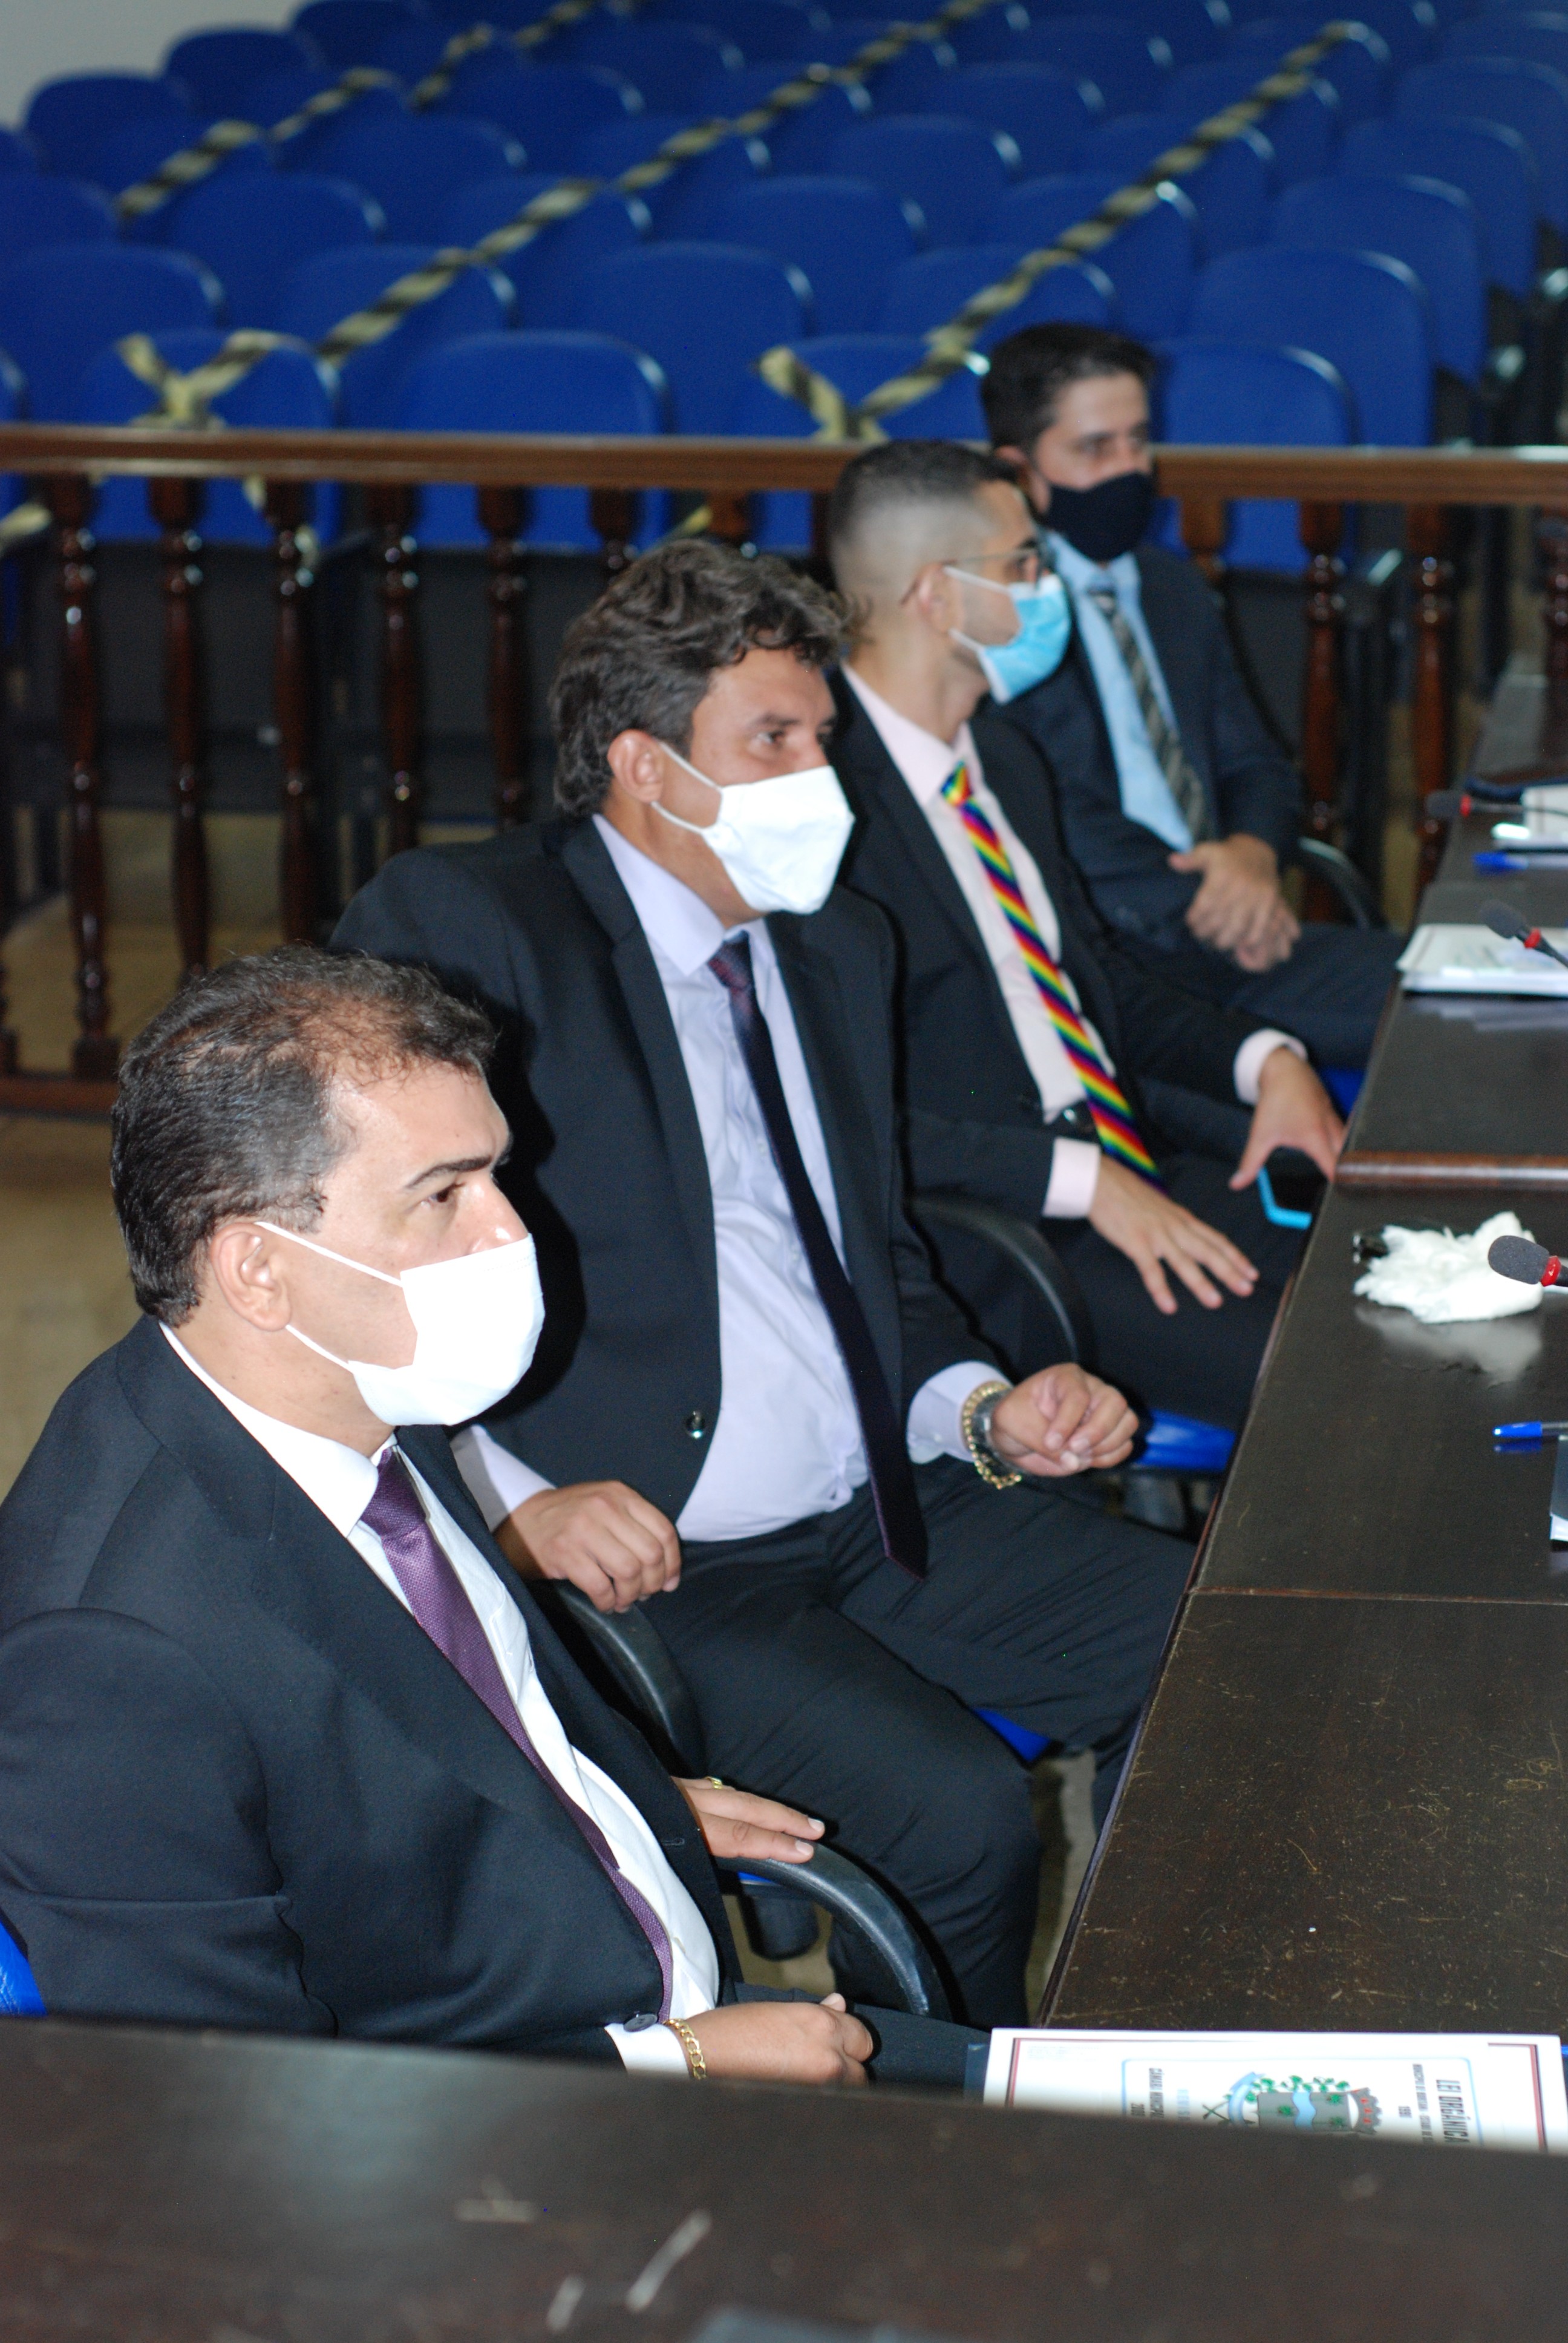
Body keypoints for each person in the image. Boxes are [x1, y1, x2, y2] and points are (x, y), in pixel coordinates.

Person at [336, 542, 1194, 2030]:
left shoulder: (834, 944)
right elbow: (353, 1255)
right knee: (961, 1819)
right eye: (774, 741)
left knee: (1226, 1659)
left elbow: (873, 1261)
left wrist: (982, 1407)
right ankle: (932, 2135)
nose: (821, 777)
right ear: (646, 769)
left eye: (823, 736)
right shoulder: (479, 932)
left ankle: (1152, 2050)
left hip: (883, 1509)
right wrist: (505, 1499)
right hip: (666, 1563)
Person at [0, 946, 987, 2087]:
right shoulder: (106, 1647)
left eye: (497, 1176)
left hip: (631, 1991)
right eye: (443, 1195)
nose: (511, 1234)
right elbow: (217, 2108)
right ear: (258, 1269)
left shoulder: (364, 1386)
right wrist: (672, 2067)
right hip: (524, 2134)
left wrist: (602, 1802)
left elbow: (436, 1730)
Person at [826, 437, 1344, 1432]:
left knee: (1407, 1289)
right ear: (936, 594)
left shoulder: (1004, 754)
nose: (1049, 583)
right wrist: (1081, 1181)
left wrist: (1264, 1059)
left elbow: (1091, 981)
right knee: (1334, 1387)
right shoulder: (828, 808)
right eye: (1024, 562)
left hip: (1128, 1156)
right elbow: (840, 1112)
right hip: (999, 1233)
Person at [981, 323, 1404, 1071]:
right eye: (1095, 448)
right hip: (1115, 958)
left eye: (1139, 441)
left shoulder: (1171, 585)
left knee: (1480, 992)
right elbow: (1054, 810)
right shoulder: (1008, 612)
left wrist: (1252, 856)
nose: (1129, 469)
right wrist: (1219, 902)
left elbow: (1258, 764)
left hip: (1238, 929)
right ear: (1019, 471)